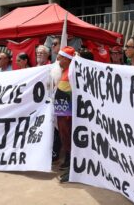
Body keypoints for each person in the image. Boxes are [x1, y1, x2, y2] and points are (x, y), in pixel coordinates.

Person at [54, 46, 76, 183]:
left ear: (67, 59)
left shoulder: (71, 73)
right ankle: (68, 161)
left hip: (67, 113)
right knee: (64, 137)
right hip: (61, 111)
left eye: (60, 57)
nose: (57, 59)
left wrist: (70, 113)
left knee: (68, 137)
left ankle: (71, 166)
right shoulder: (63, 72)